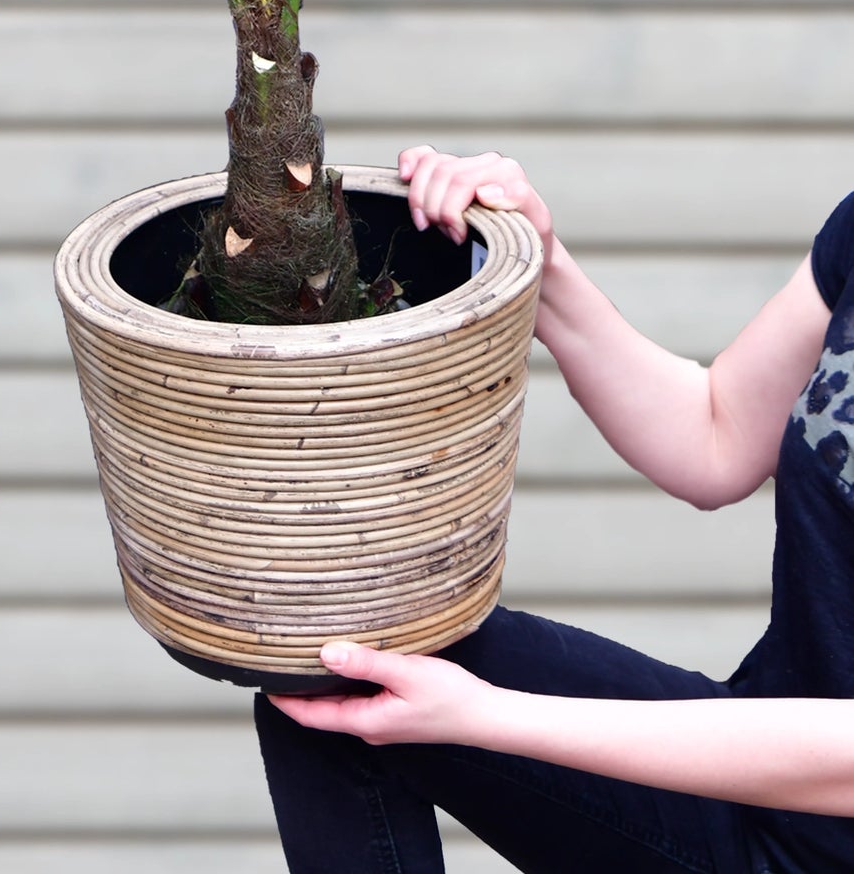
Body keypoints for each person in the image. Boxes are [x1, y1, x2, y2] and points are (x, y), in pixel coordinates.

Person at [255, 144, 854, 874]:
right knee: (340, 686)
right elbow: (715, 434)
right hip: (756, 797)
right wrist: (537, 262)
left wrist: (489, 716)